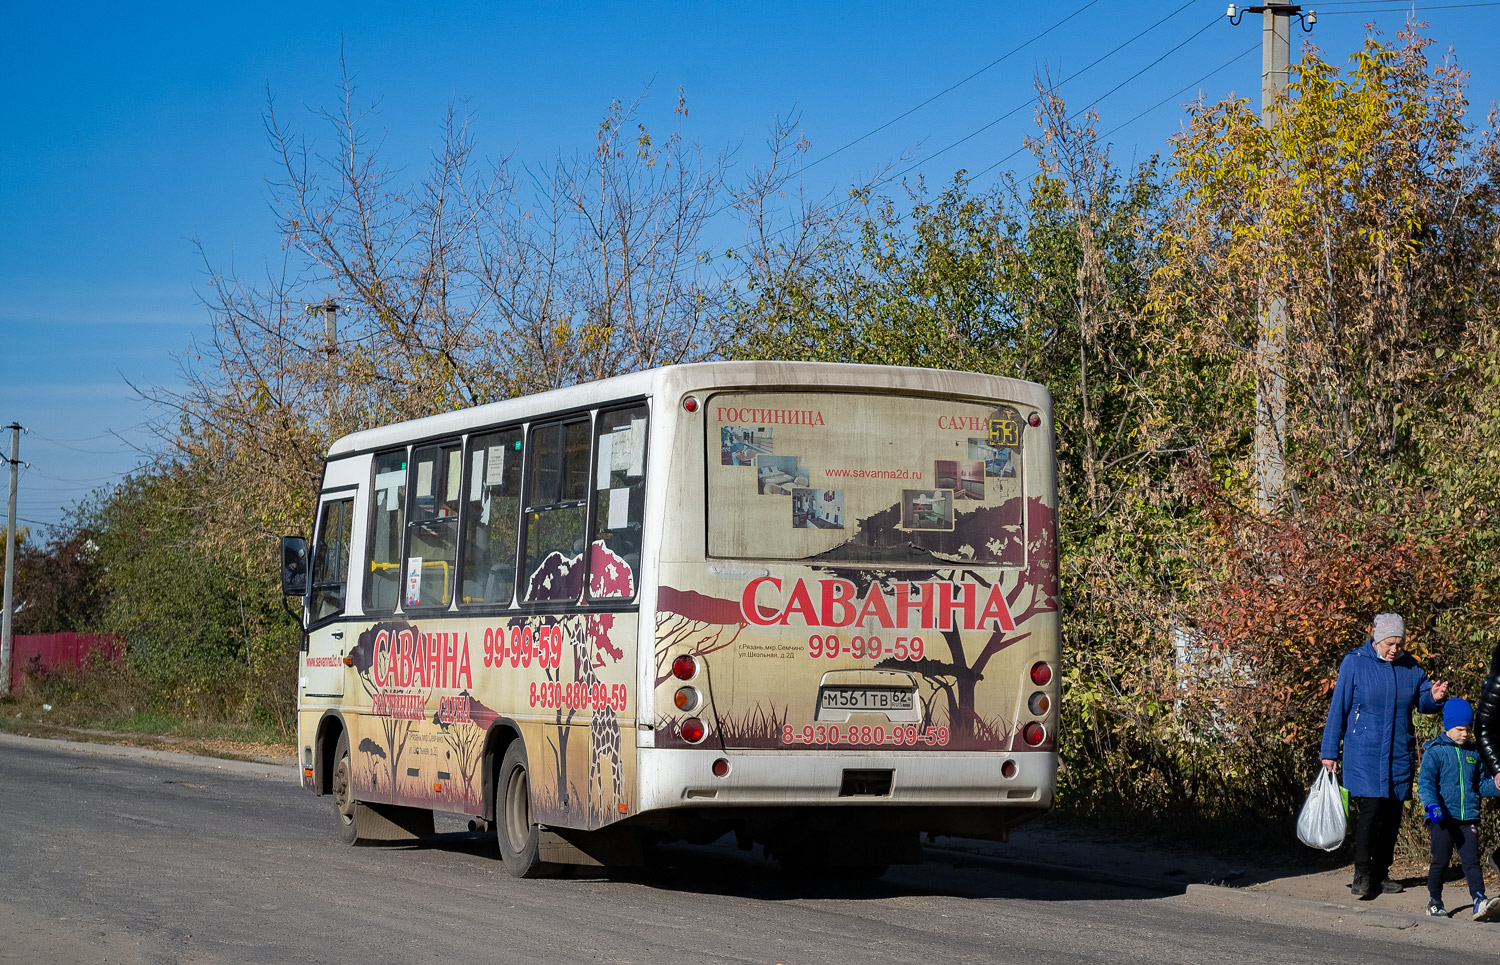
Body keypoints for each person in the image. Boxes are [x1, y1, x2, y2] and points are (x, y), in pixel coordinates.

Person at [1320, 612, 1449, 898]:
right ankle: (1362, 874)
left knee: (1392, 816)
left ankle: (1381, 873)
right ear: (1376, 639)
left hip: (1397, 754)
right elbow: (1337, 709)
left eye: (1399, 644)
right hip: (1364, 753)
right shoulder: (1355, 662)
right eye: (1389, 643)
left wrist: (1435, 697)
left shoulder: (1411, 668)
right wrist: (1330, 751)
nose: (1394, 649)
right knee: (1371, 812)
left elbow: (1423, 700)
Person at [1418, 698, 1500, 920]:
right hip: (1442, 817)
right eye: (1460, 729)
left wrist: (1496, 785)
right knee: (1441, 860)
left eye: (1469, 729)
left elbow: (1480, 785)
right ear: (1448, 726)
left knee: (1472, 860)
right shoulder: (1435, 752)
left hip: (1468, 817)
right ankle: (1434, 900)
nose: (1465, 734)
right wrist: (1432, 806)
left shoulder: (1473, 754)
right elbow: (1425, 784)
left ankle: (1479, 899)